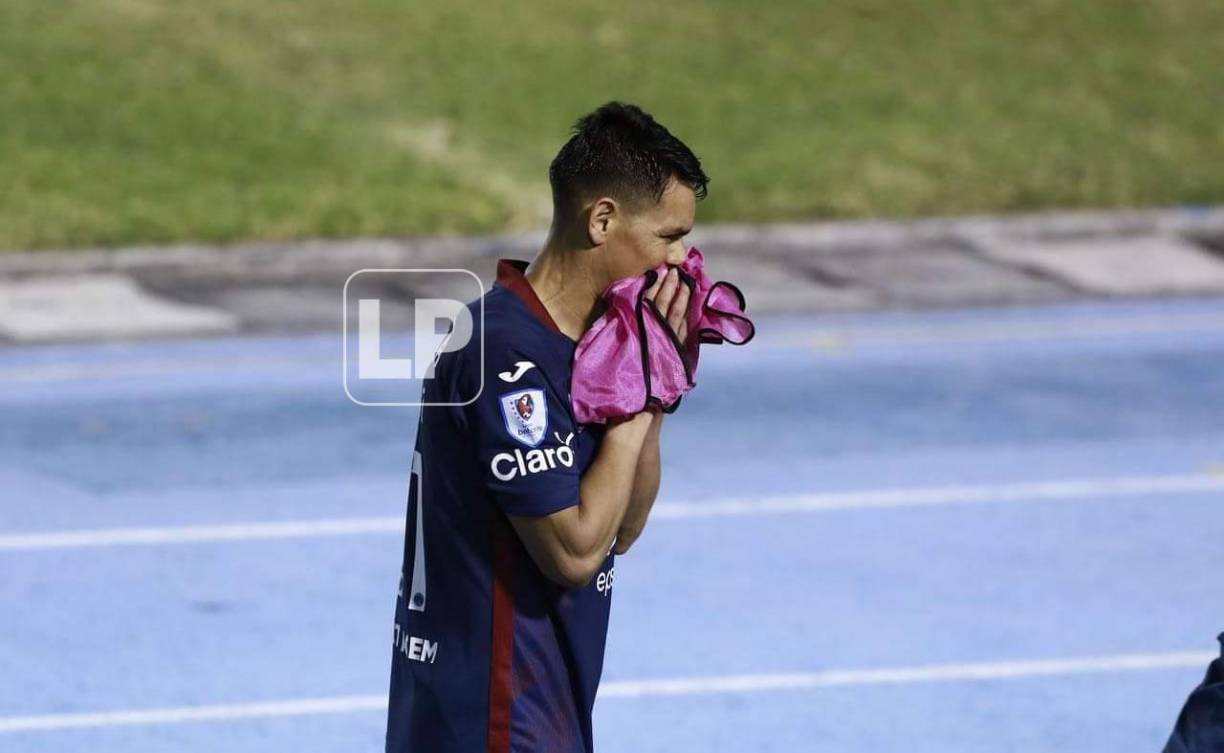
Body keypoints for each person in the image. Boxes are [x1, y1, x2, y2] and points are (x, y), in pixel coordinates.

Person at [385, 101, 709, 753]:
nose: (682, 260)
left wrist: (654, 394)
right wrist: (638, 387)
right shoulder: (503, 354)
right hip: (494, 720)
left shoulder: (592, 345)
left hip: (542, 713)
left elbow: (623, 527)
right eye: (668, 235)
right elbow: (573, 551)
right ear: (602, 220)